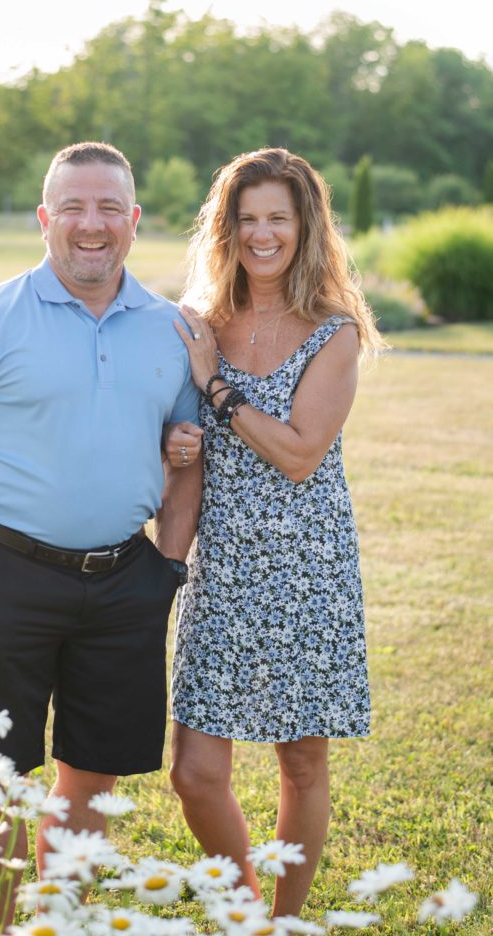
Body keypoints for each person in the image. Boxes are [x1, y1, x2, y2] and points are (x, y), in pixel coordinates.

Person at [0, 141, 202, 919]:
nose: (91, 224)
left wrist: (166, 566)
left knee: (92, 774)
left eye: (109, 207)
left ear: (134, 222)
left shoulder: (176, 332)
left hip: (126, 583)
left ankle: (59, 920)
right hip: (6, 575)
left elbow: (190, 455)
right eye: (73, 205)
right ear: (45, 218)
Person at [165, 147, 385, 917]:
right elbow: (177, 438)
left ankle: (283, 924)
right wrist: (178, 439)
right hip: (220, 567)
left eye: (277, 219)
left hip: (308, 567)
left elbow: (298, 454)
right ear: (226, 229)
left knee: (302, 762)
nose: (262, 234)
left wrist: (217, 390)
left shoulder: (335, 333)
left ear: (305, 227)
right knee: (192, 771)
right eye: (247, 218)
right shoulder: (203, 326)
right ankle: (249, 907)